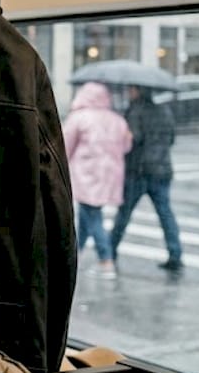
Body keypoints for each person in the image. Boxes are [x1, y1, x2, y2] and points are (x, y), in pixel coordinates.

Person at [109, 84, 183, 272]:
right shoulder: (164, 111)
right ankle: (175, 254)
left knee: (124, 214)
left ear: (138, 91)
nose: (128, 92)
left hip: (139, 171)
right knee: (165, 214)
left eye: (131, 89)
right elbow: (172, 139)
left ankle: (109, 251)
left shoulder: (135, 112)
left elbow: (133, 140)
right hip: (163, 169)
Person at [62, 82, 131, 279]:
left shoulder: (79, 118)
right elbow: (126, 146)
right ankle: (75, 255)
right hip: (109, 175)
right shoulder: (117, 120)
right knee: (86, 216)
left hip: (86, 174)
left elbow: (64, 146)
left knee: (92, 216)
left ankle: (106, 260)